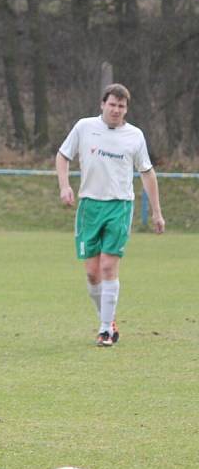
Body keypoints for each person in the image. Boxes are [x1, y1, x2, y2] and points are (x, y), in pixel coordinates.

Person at [56, 83, 165, 346]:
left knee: (108, 266)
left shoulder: (135, 136)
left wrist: (157, 213)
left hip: (119, 206)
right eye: (112, 104)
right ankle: (108, 319)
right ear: (102, 104)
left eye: (121, 106)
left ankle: (105, 330)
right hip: (89, 207)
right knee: (92, 273)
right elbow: (62, 156)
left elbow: (147, 173)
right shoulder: (84, 127)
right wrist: (64, 186)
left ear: (126, 109)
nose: (116, 110)